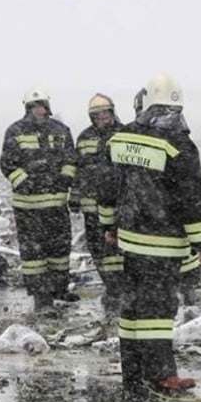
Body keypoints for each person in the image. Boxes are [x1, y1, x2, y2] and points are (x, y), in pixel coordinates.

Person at [98, 73, 201, 402]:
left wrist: (109, 225)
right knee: (158, 310)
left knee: (133, 307)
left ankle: (133, 374)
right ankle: (161, 374)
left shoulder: (120, 138)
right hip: (163, 243)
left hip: (129, 240)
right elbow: (191, 199)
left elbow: (106, 188)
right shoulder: (179, 146)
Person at [0, 88, 78, 313]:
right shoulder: (15, 131)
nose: (38, 110)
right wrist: (26, 183)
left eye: (41, 105)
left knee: (59, 252)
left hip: (56, 205)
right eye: (34, 106)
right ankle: (42, 299)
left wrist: (64, 179)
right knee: (34, 255)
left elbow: (71, 159)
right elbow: (7, 164)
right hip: (28, 207)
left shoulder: (61, 130)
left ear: (48, 106)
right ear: (27, 108)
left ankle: (58, 289)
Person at [70, 93, 124, 317]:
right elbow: (78, 169)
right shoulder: (84, 137)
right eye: (97, 115)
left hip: (115, 206)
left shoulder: (124, 134)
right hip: (90, 207)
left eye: (105, 113)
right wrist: (74, 196)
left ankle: (117, 290)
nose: (102, 118)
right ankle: (110, 286)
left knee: (115, 250)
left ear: (112, 113)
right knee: (96, 249)